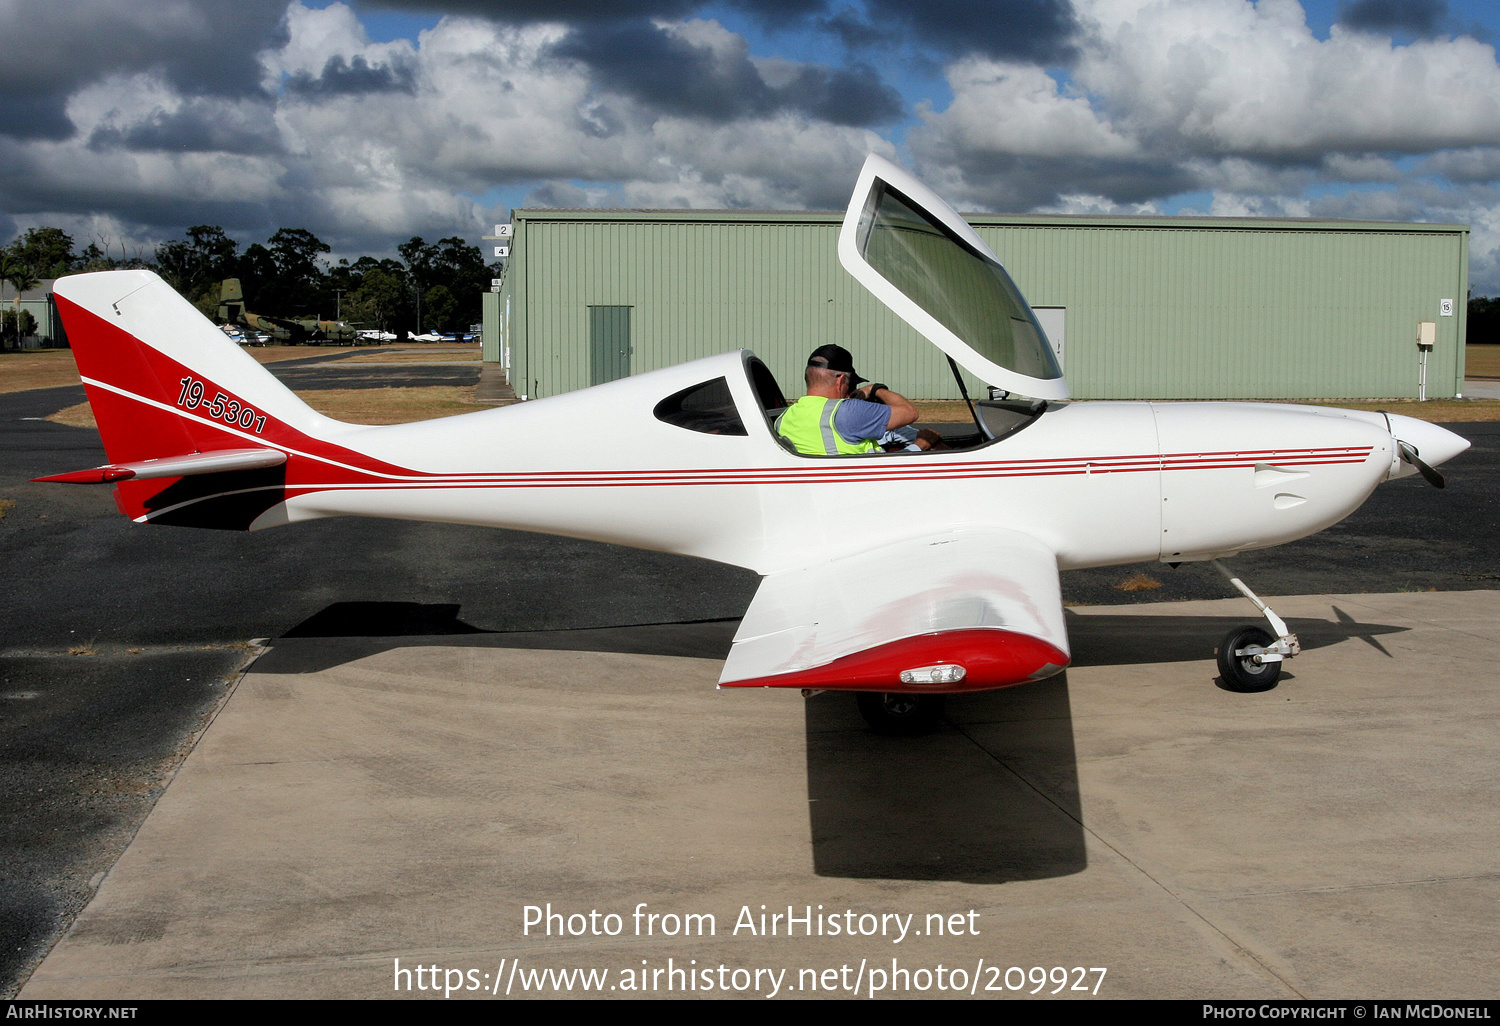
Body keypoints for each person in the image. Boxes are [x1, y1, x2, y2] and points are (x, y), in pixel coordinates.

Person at [775, 344, 936, 455]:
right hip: (864, 494)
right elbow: (910, 413)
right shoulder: (848, 411)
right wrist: (873, 389)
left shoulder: (783, 419)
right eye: (850, 384)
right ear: (840, 380)